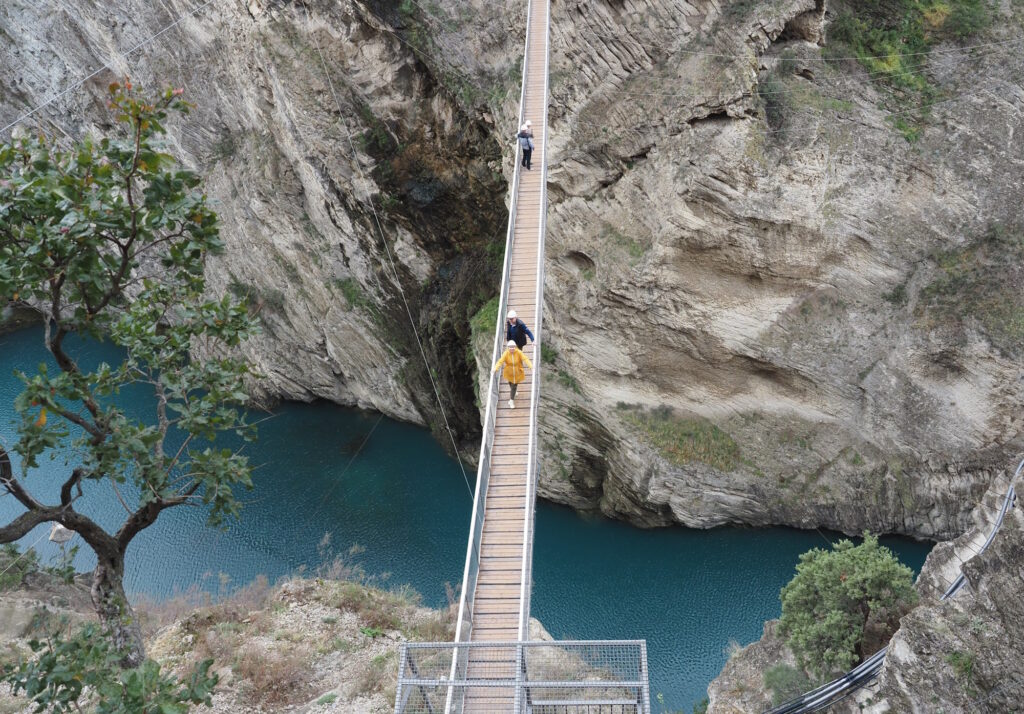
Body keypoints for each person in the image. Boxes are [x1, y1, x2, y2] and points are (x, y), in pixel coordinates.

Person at [493, 339, 532, 409]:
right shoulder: (506, 353)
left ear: (515, 347)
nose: (512, 348)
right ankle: (514, 392)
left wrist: (531, 366)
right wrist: (495, 368)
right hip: (509, 372)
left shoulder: (519, 352)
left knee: (514, 386)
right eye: (510, 347)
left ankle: (511, 400)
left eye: (513, 347)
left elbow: (525, 359)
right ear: (508, 348)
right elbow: (500, 361)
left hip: (517, 372)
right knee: (511, 384)